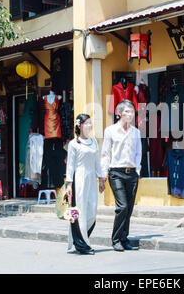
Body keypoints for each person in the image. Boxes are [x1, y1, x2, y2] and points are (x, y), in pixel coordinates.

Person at [101, 100, 142, 251]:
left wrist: (137, 170)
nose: (130, 114)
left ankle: (124, 239)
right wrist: (103, 175)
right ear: (119, 113)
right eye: (127, 111)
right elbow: (105, 154)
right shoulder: (110, 131)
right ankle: (116, 239)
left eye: (132, 111)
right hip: (116, 173)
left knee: (129, 208)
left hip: (131, 173)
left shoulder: (136, 132)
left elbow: (138, 153)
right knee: (122, 206)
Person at [65, 114, 106, 255]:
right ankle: (82, 244)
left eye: (90, 123)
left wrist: (101, 178)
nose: (89, 126)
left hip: (91, 179)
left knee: (92, 211)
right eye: (86, 123)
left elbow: (97, 162)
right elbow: (70, 165)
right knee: (78, 211)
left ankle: (80, 238)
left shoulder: (93, 142)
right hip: (79, 179)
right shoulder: (73, 144)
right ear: (79, 126)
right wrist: (69, 185)